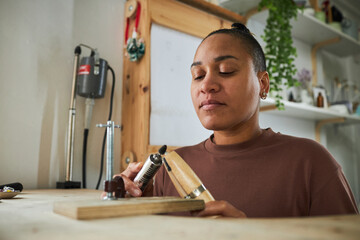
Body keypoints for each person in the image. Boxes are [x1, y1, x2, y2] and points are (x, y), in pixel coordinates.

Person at [114, 23, 359, 218]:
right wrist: (132, 211)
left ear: (262, 84)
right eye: (198, 75)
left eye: (226, 71)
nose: (206, 85)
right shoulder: (172, 168)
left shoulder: (311, 162)